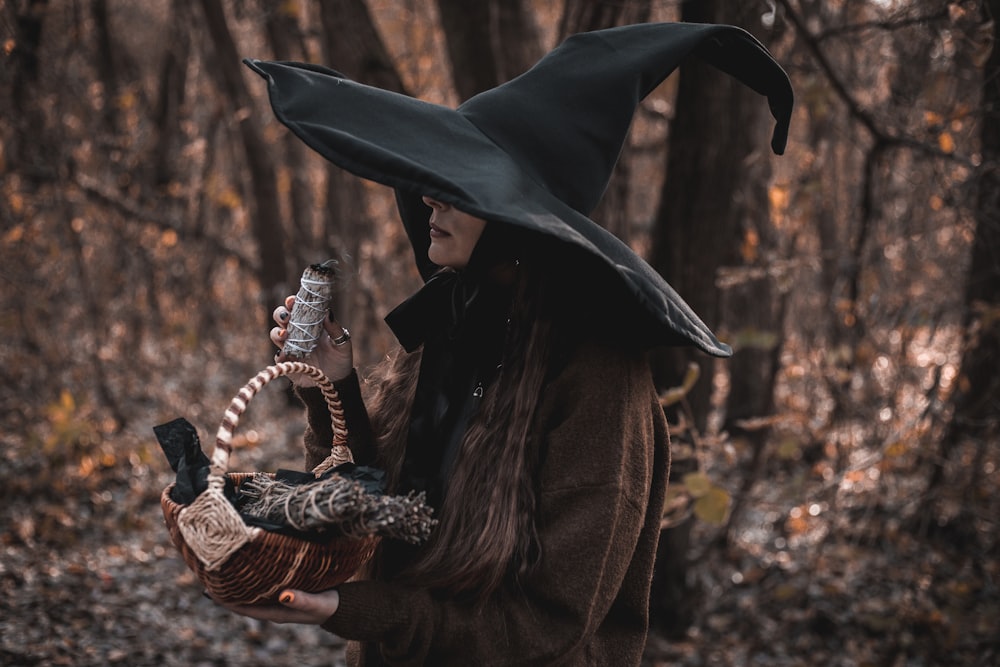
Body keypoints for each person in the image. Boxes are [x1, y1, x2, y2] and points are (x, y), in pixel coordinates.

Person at [218, 21, 793, 666]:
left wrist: (355, 611)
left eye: (461, 183)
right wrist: (331, 388)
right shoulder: (452, 321)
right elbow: (376, 508)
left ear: (522, 216)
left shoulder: (601, 379)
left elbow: (547, 626)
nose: (430, 194)